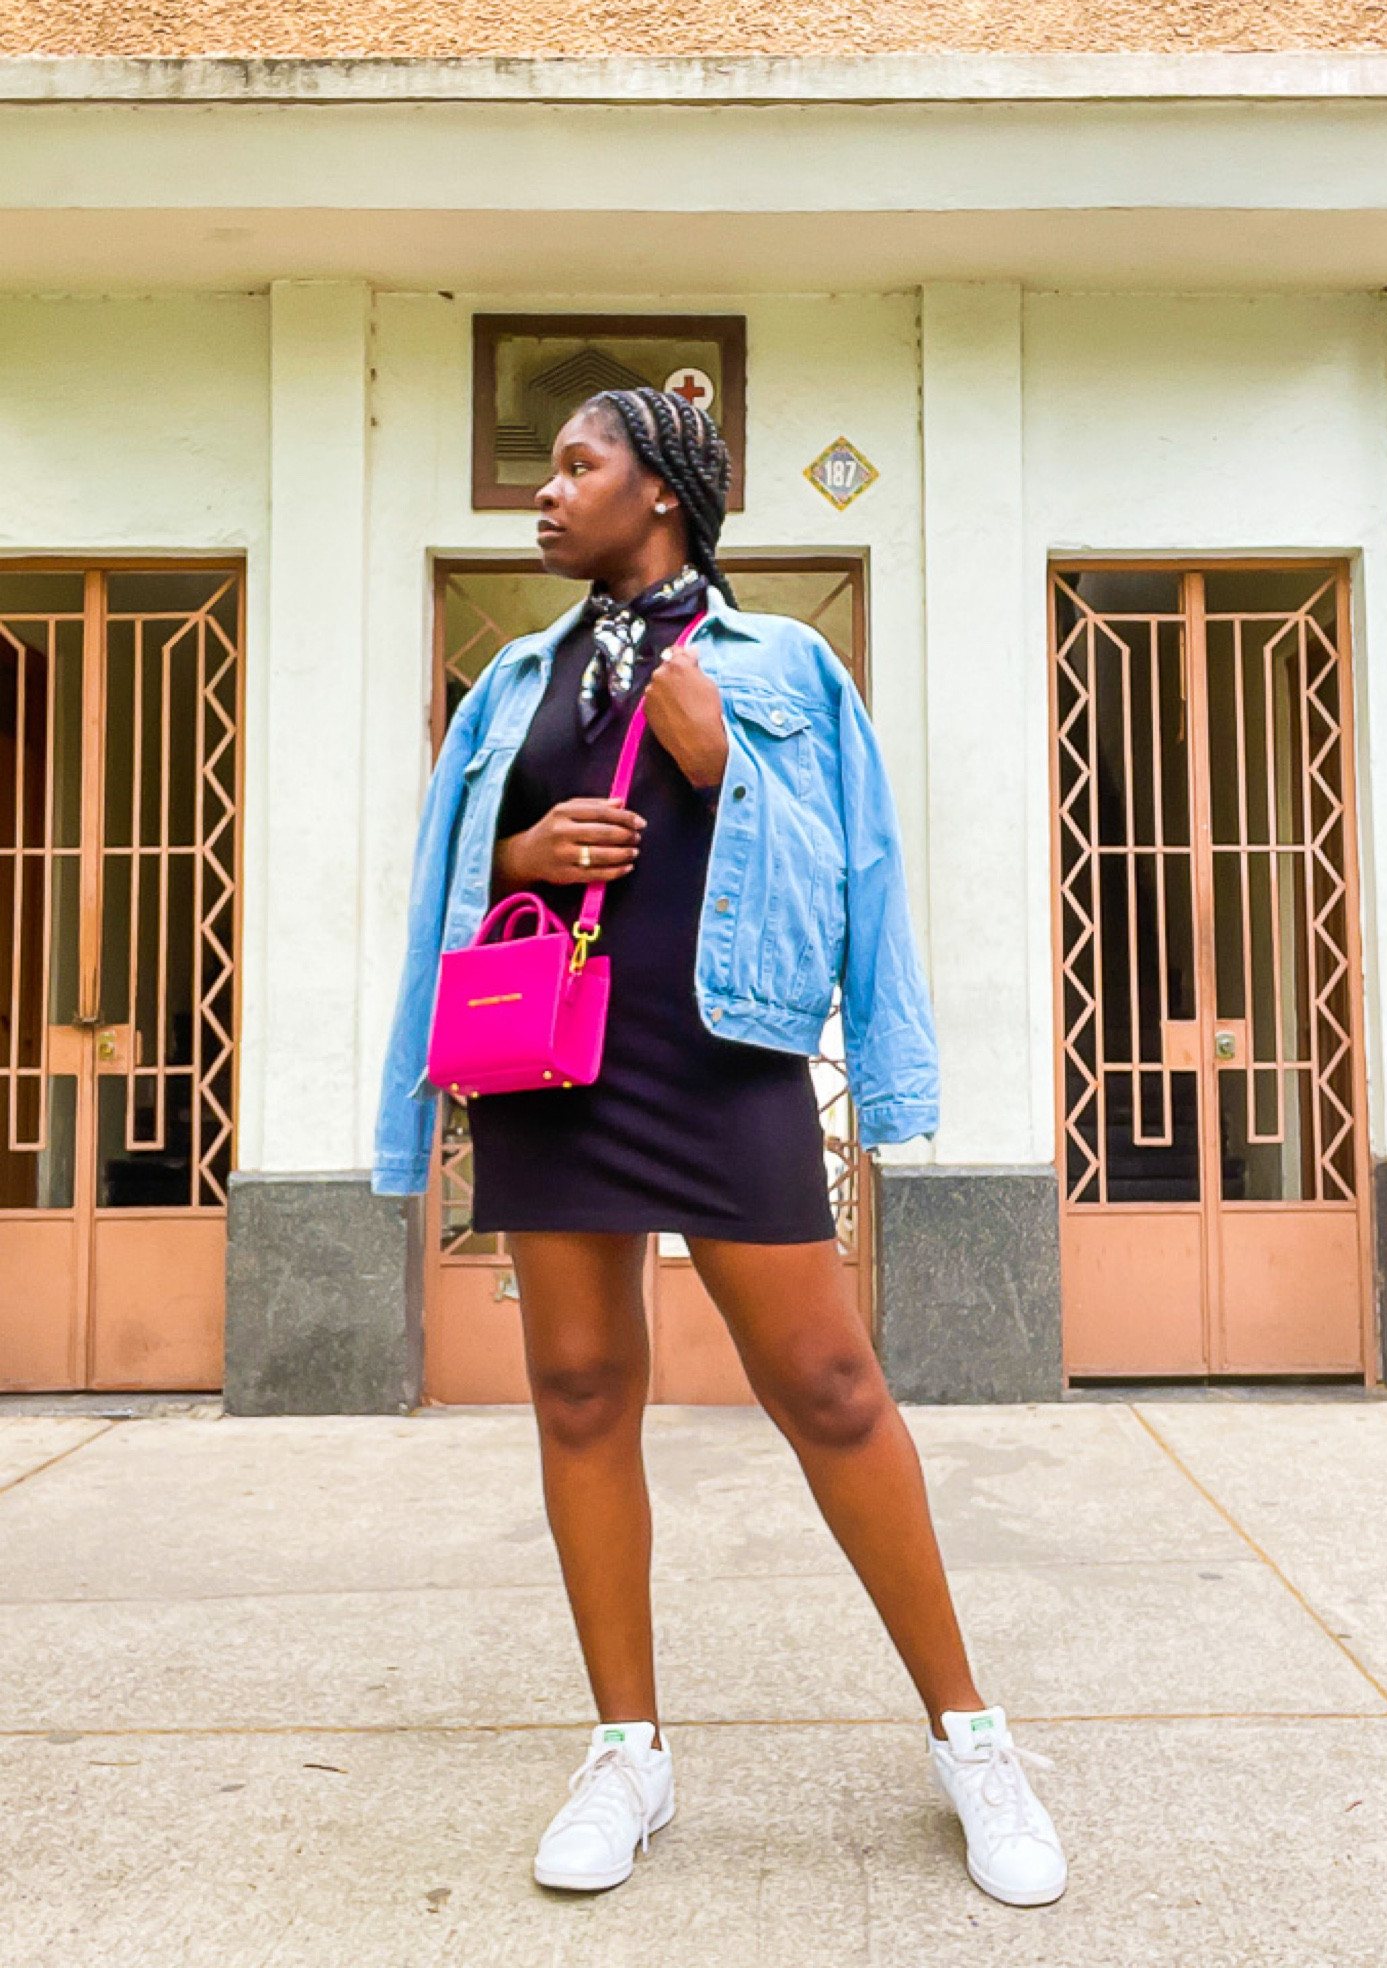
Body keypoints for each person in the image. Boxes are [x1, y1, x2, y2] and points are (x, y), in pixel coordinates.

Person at [374, 386, 1066, 1908]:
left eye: (576, 469)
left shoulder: (786, 665)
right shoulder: (515, 681)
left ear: (662, 496)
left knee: (827, 1384)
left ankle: (972, 1737)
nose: (543, 498)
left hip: (724, 1057)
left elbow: (857, 877)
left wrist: (720, 770)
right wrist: (516, 851)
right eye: (547, 470)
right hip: (553, 1065)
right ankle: (629, 1750)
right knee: (576, 1391)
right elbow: (440, 874)